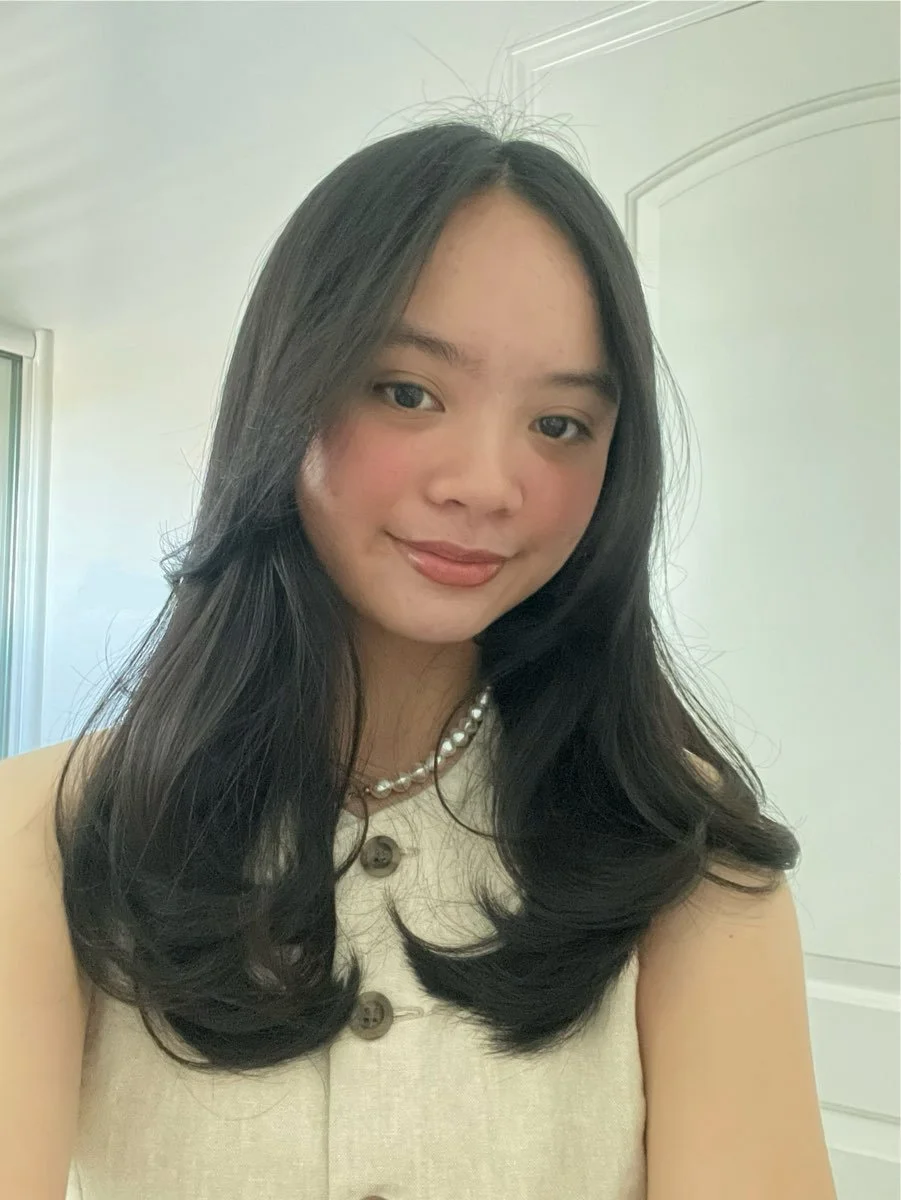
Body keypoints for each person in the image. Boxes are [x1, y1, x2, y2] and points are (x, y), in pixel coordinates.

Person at [0, 114, 837, 1200]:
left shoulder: (675, 843)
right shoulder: (52, 832)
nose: (487, 483)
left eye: (561, 425)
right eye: (408, 391)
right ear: (288, 391)